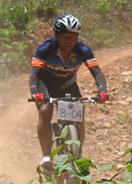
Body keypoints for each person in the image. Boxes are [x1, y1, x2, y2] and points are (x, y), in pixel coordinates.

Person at [29, 15, 110, 171]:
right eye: (65, 37)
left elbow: (97, 72)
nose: (69, 41)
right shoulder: (46, 48)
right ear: (57, 35)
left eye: (73, 37)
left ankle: (77, 152)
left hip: (67, 84)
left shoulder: (83, 49)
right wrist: (35, 92)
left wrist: (103, 90)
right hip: (44, 83)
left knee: (80, 110)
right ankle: (46, 157)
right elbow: (34, 73)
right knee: (45, 110)